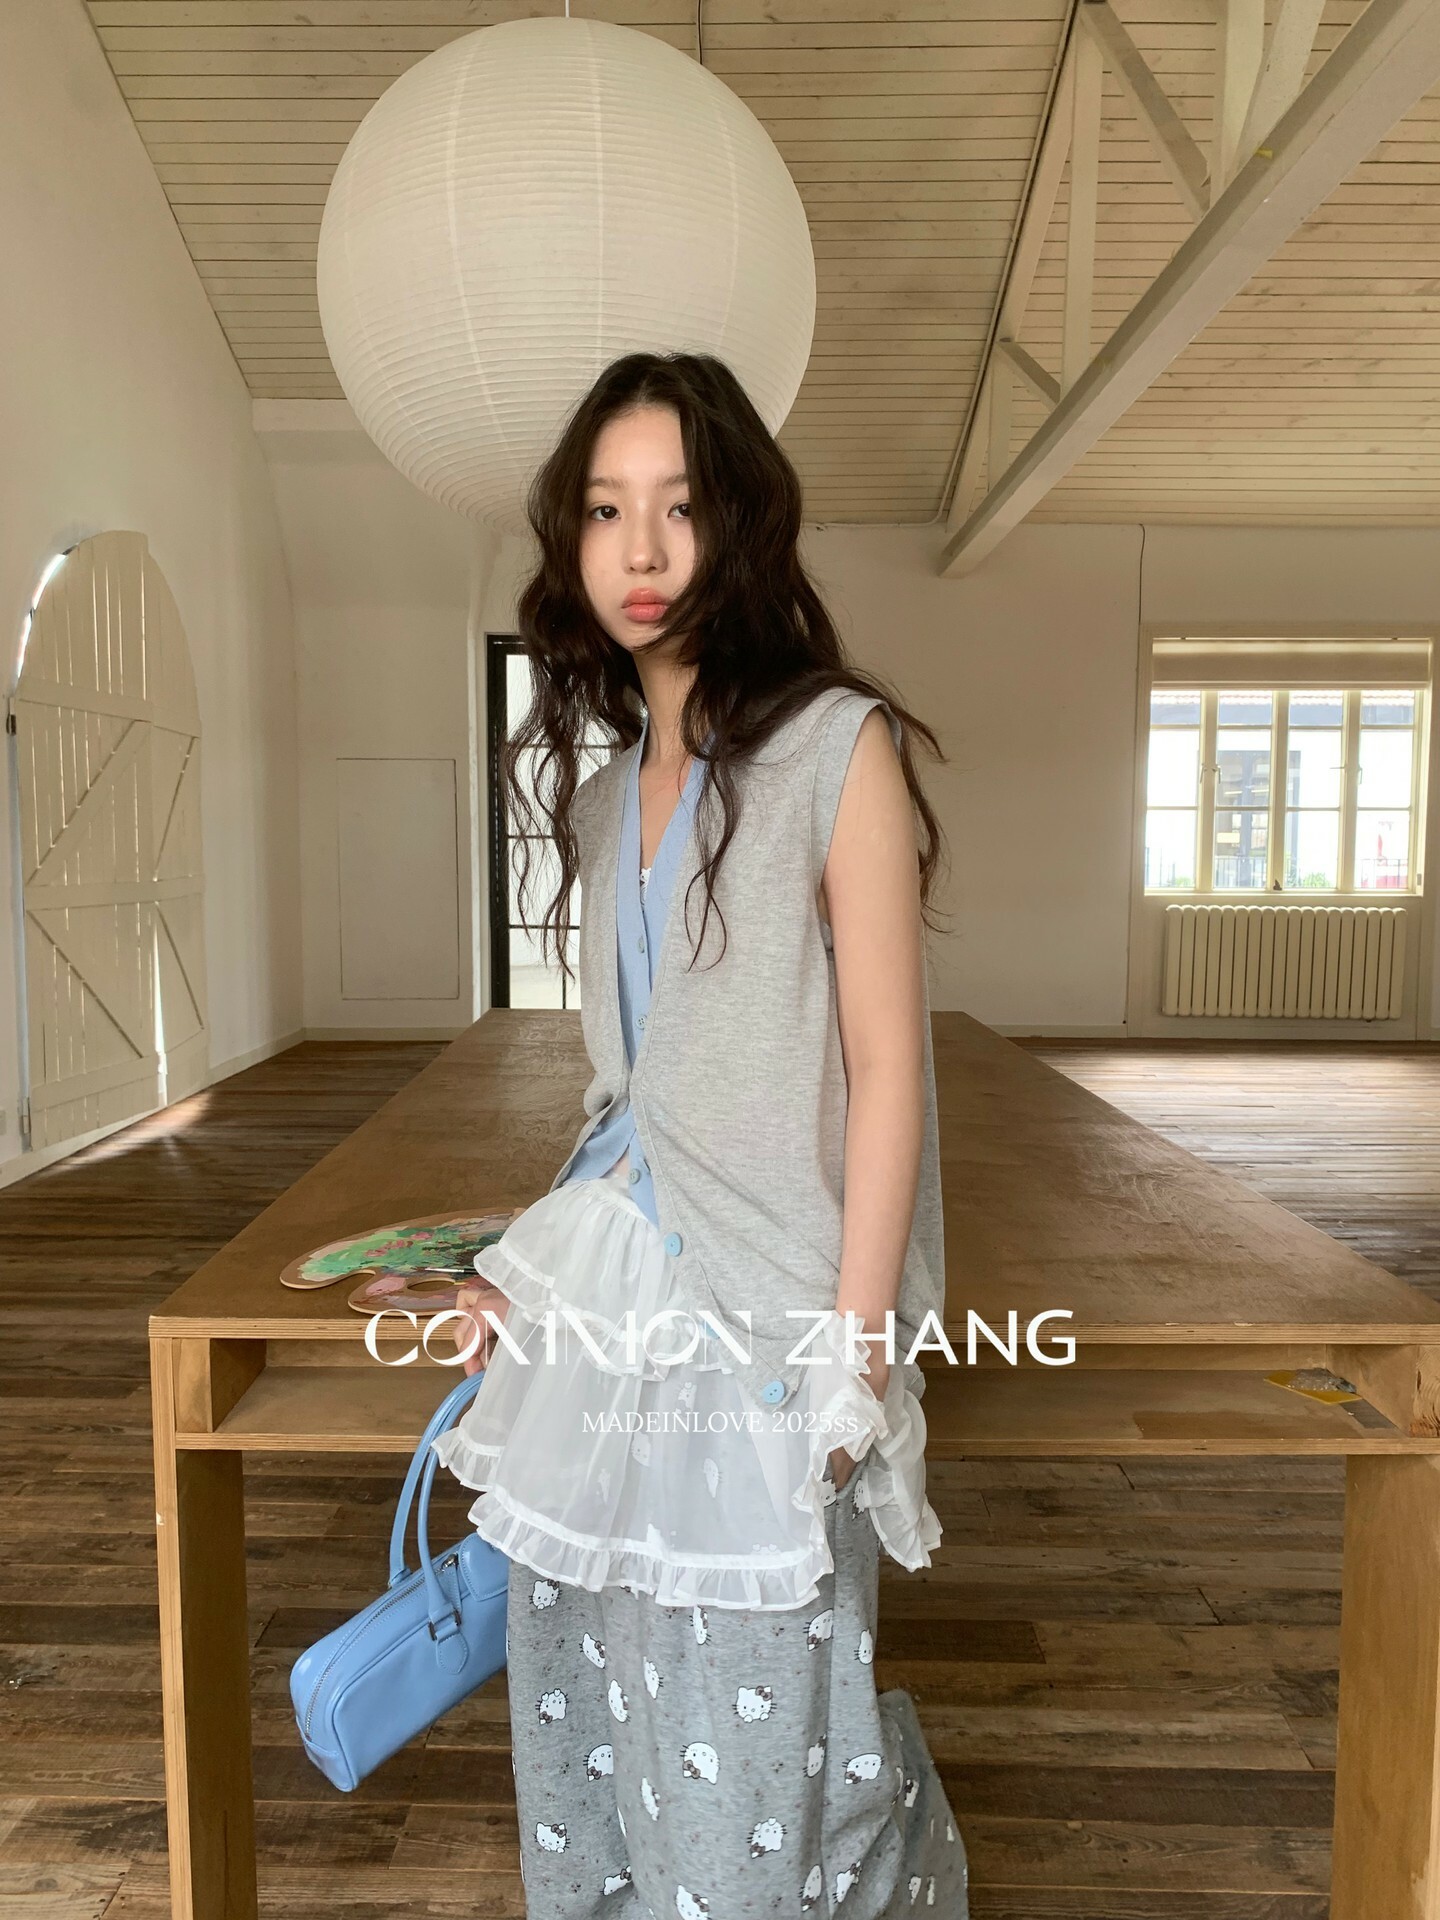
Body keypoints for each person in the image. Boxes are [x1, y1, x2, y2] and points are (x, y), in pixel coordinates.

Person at [432, 351, 970, 1916]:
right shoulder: (611, 801)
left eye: (678, 506)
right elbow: (628, 1103)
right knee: (586, 1710)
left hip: (770, 1326)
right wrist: (517, 1277)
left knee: (756, 1754)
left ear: (739, 524)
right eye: (607, 511)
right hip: (612, 1320)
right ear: (572, 542)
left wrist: (857, 1356)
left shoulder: (836, 749)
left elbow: (890, 1071)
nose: (644, 549)